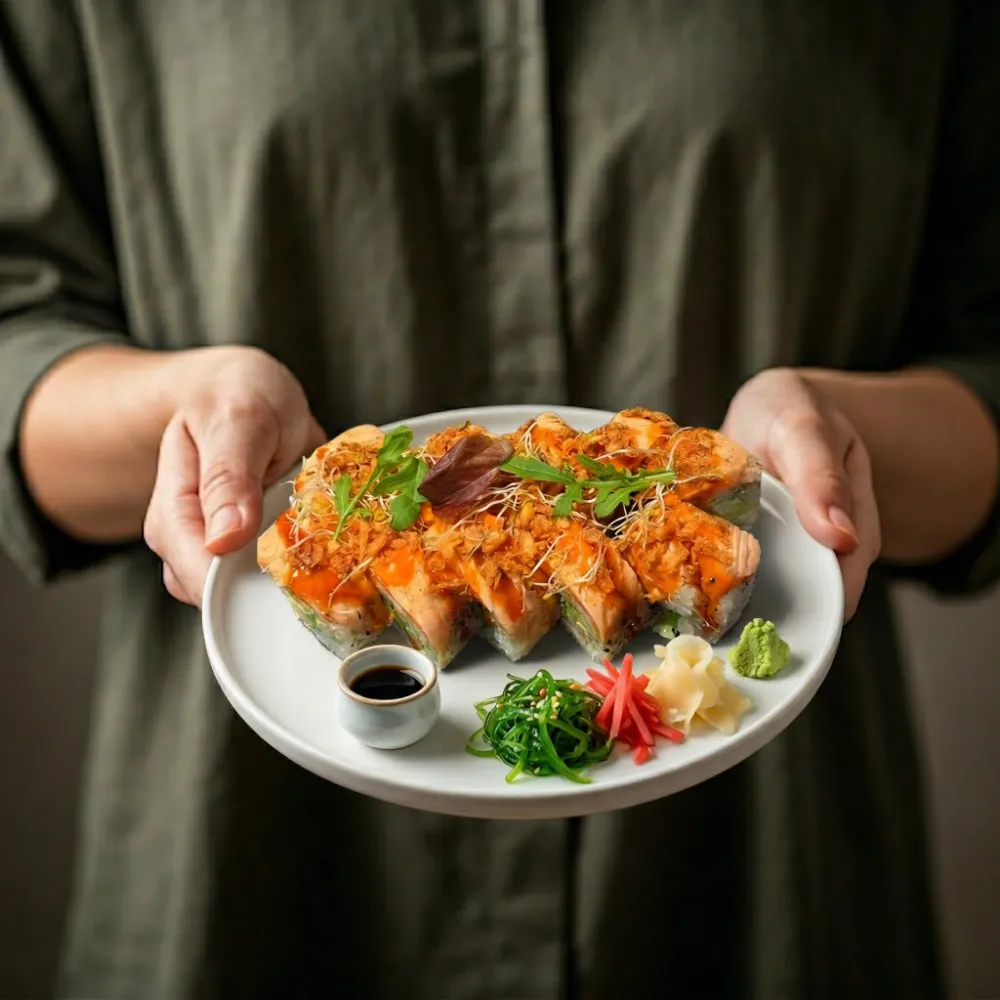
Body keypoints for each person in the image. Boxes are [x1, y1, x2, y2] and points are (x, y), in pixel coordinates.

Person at [1, 2, 997, 998]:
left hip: (765, 836)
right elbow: (18, 325)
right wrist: (191, 420)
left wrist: (819, 439)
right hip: (255, 841)